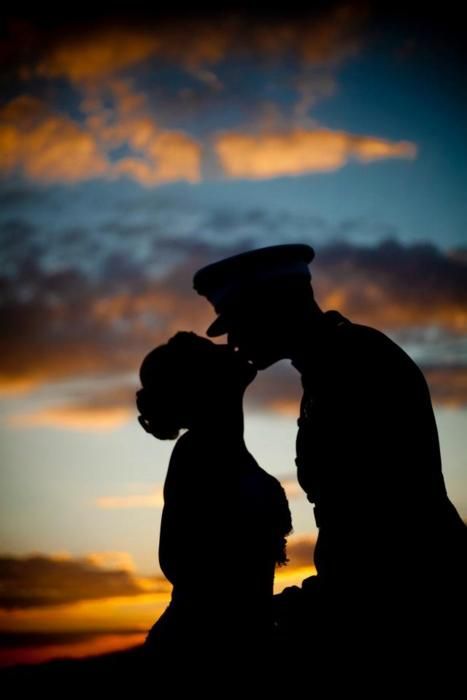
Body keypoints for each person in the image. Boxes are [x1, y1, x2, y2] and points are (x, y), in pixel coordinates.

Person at [193, 244, 467, 673]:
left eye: (238, 323)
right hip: (382, 598)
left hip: (410, 606)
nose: (233, 341)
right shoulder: (331, 365)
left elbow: (383, 518)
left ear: (271, 309)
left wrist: (320, 602)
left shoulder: (355, 366)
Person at [135, 331, 292, 683]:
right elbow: (177, 561)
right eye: (213, 351)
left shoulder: (220, 450)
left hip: (234, 649)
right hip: (200, 656)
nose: (230, 347)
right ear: (203, 384)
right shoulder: (196, 453)